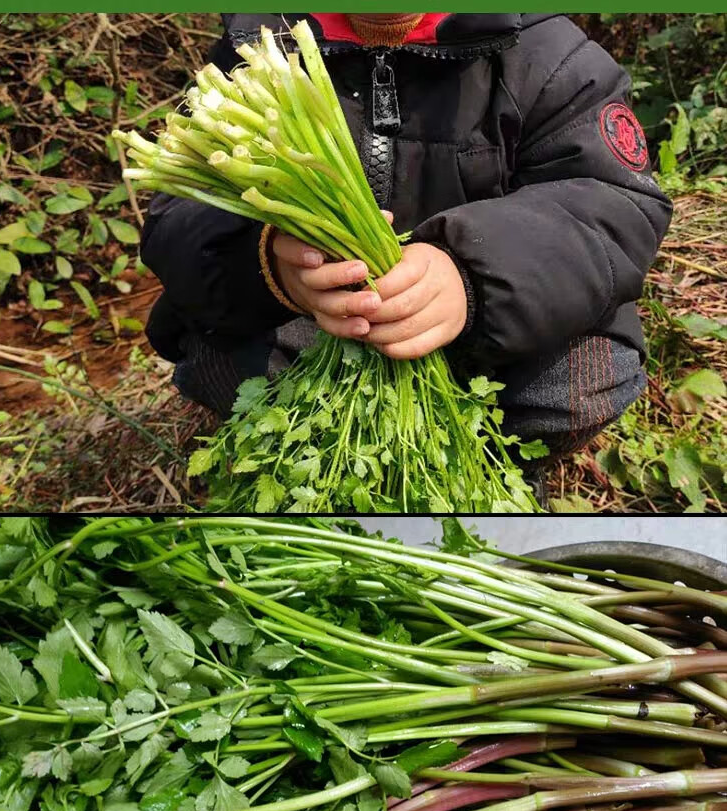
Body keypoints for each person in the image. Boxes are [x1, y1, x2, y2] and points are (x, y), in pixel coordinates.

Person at [141, 12, 672, 487]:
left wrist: (470, 277)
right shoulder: (259, 45)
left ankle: (499, 471)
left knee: (585, 377)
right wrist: (273, 265)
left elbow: (610, 202)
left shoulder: (546, 53)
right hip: (323, 322)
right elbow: (178, 214)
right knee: (219, 356)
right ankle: (316, 464)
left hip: (498, 334)